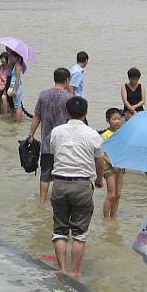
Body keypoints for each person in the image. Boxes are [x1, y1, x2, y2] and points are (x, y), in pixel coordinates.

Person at [48, 97, 103, 278]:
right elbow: (99, 161)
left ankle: (62, 268)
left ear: (67, 112)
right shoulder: (93, 134)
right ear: (86, 113)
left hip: (59, 183)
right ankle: (75, 271)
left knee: (60, 229)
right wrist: (99, 180)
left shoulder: (56, 131)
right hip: (82, 185)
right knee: (79, 233)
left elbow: (54, 153)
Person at [27, 67, 72, 204]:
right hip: (63, 143)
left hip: (47, 142)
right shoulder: (69, 98)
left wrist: (31, 135)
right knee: (63, 173)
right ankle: (59, 202)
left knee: (45, 173)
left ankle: (41, 201)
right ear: (67, 80)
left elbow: (36, 117)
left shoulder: (43, 95)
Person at [101, 108, 125, 219]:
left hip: (120, 167)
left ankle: (113, 217)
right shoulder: (105, 135)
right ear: (108, 120)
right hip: (108, 168)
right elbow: (102, 153)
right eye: (114, 119)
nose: (117, 121)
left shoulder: (122, 133)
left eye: (119, 119)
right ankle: (106, 219)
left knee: (118, 194)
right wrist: (113, 163)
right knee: (111, 195)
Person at [6, 49, 26, 124]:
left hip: (16, 87)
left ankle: (18, 122)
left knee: (18, 105)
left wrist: (15, 89)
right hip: (16, 86)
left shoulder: (17, 66)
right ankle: (17, 120)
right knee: (16, 104)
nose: (11, 58)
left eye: (12, 57)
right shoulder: (17, 65)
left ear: (16, 57)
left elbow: (17, 78)